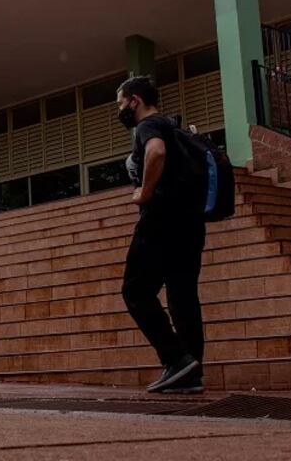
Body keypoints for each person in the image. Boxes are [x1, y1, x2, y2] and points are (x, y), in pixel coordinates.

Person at [117, 76, 206, 394]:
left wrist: (145, 191)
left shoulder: (147, 126)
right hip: (191, 224)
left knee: (135, 291)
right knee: (183, 297)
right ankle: (191, 371)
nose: (121, 109)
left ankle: (175, 359)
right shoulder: (174, 126)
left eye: (121, 103)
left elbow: (156, 153)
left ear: (135, 100)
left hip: (160, 221)